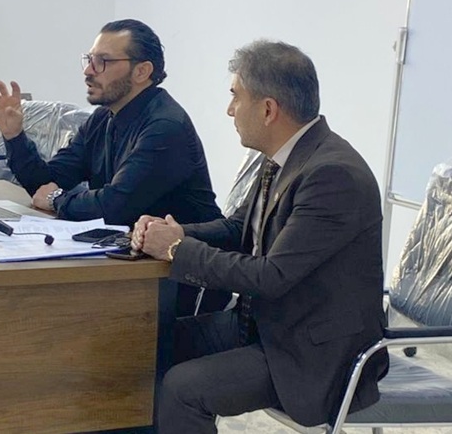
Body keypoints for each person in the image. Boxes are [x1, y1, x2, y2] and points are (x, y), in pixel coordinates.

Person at [132, 40, 389, 432]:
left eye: (235, 96)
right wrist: (174, 232)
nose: (229, 109)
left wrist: (176, 249)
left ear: (268, 109)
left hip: (312, 351)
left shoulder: (332, 175)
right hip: (264, 325)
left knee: (183, 389)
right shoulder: (286, 157)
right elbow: (239, 228)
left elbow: (271, 276)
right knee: (144, 346)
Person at [0, 18, 230, 316]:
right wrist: (14, 135)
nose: (88, 70)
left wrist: (57, 199)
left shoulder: (165, 126)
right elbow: (47, 182)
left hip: (180, 283)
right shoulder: (103, 117)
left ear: (142, 71)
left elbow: (113, 206)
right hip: (128, 265)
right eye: (89, 60)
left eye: (103, 61)